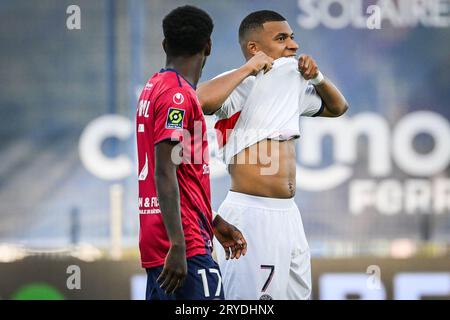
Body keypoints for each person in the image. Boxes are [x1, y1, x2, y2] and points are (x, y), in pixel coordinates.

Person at [197, 10, 349, 300]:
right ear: (254, 48)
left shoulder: (292, 82)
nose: (293, 45)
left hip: (289, 215)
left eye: (292, 38)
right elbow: (200, 100)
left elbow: (338, 108)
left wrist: (317, 77)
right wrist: (247, 69)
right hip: (250, 215)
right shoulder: (241, 82)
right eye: (282, 38)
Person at [135, 5, 247, 300]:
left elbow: (181, 175)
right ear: (208, 45)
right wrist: (179, 244)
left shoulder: (153, 86)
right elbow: (164, 170)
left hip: (166, 237)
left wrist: (210, 222)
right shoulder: (179, 95)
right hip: (183, 245)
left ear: (165, 45)